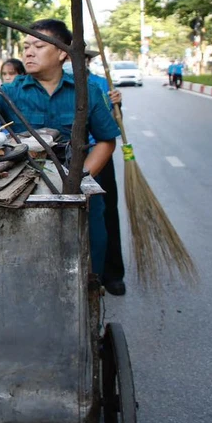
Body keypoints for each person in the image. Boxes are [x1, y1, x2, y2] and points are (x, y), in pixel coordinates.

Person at [0, 20, 120, 277]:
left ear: (62, 52)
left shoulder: (86, 91)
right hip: (22, 191)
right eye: (26, 46)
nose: (28, 52)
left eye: (39, 45)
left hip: (77, 190)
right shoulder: (7, 92)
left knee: (88, 255)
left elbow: (106, 140)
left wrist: (81, 180)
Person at [85, 49, 126, 296]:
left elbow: (110, 125)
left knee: (106, 214)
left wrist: (117, 104)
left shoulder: (100, 84)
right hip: (66, 157)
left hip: (98, 153)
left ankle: (112, 275)